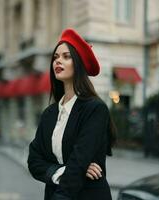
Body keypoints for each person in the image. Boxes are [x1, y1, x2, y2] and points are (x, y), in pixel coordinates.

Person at [27, 28, 116, 200]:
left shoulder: (95, 109)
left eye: (66, 57)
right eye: (56, 57)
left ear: (79, 63)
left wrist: (75, 168)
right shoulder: (49, 114)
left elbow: (79, 160)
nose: (58, 61)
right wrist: (61, 171)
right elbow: (33, 160)